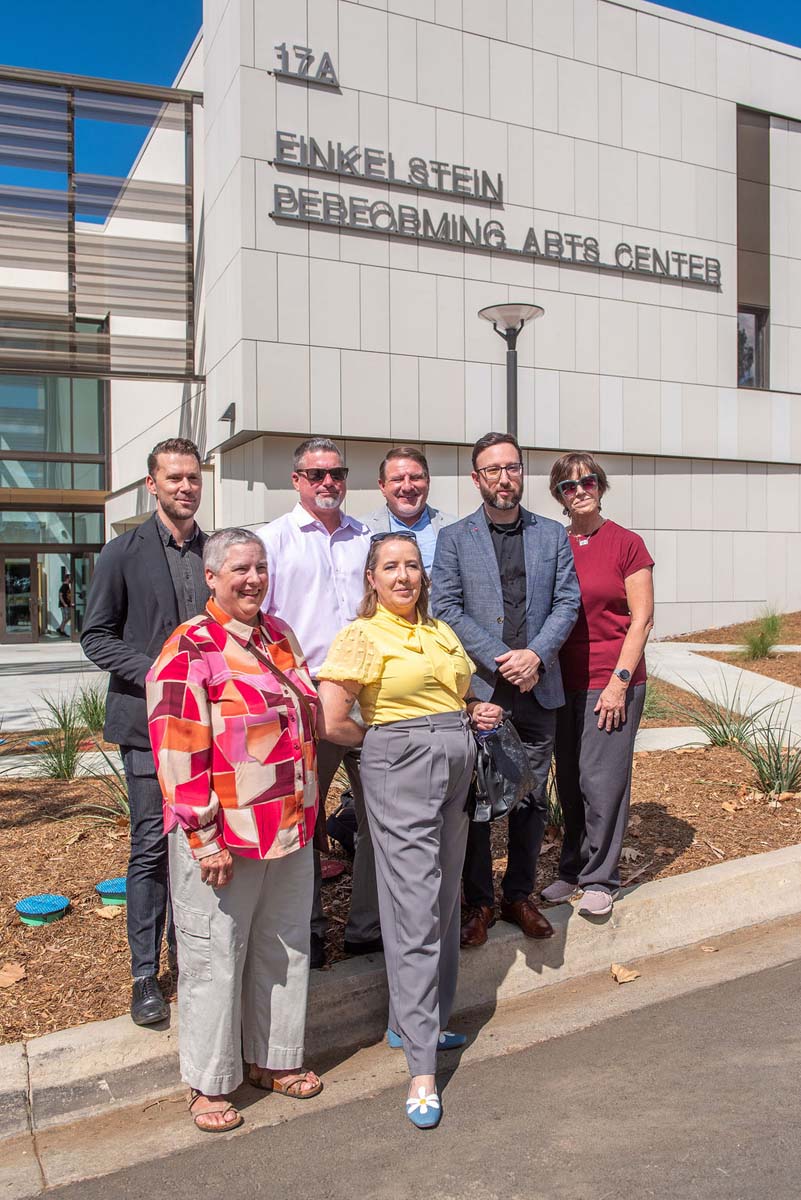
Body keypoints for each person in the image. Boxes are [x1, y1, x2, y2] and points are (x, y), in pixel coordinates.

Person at [317, 532, 501, 1128]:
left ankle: (416, 1022)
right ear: (371, 577)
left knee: (444, 900)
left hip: (455, 764)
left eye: (412, 566)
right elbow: (331, 716)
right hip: (402, 766)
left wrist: (475, 711)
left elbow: (457, 688)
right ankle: (422, 1068)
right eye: (390, 567)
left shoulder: (439, 630)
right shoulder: (361, 635)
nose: (404, 576)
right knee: (417, 905)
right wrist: (387, 748)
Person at [147, 528, 322, 1134]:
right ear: (213, 579)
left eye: (260, 569)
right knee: (214, 957)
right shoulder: (189, 648)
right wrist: (202, 836)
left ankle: (271, 1060)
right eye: (240, 570)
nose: (253, 579)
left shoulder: (280, 637)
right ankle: (209, 1082)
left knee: (283, 945)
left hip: (288, 826)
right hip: (225, 838)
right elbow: (177, 747)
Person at [431, 432, 581, 949]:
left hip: (539, 685)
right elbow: (445, 608)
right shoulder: (454, 539)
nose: (503, 478)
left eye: (512, 468)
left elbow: (567, 602)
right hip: (483, 689)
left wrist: (535, 655)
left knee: (531, 799)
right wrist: (504, 658)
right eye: (492, 470)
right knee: (476, 800)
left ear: (522, 474)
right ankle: (480, 902)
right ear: (477, 478)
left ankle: (519, 894)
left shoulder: (551, 535)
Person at [81, 437, 208, 1026]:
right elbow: (96, 636)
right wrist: (160, 671)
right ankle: (144, 976)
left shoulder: (217, 552)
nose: (186, 486)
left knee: (203, 841)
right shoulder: (121, 553)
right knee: (152, 847)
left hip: (213, 725)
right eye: (174, 478)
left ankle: (195, 955)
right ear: (152, 485)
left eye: (193, 477)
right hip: (147, 725)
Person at [256, 437, 380, 968]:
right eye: (316, 474)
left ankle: (367, 928)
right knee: (303, 821)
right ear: (297, 480)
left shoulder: (368, 539)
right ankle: (306, 930)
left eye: (336, 473)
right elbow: (258, 628)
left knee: (381, 817)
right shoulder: (272, 542)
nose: (327, 482)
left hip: (370, 703)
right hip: (305, 704)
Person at [542, 454, 654, 917]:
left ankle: (601, 877)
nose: (580, 490)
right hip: (559, 684)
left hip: (611, 679)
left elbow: (642, 619)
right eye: (569, 486)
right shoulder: (552, 543)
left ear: (601, 486)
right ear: (560, 496)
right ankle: (572, 868)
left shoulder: (626, 544)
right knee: (568, 781)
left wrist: (619, 684)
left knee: (601, 781)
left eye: (588, 481)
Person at [360, 446, 457, 572]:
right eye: (397, 479)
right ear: (382, 486)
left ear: (428, 482)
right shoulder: (362, 531)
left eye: (415, 478)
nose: (407, 487)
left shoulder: (455, 528)